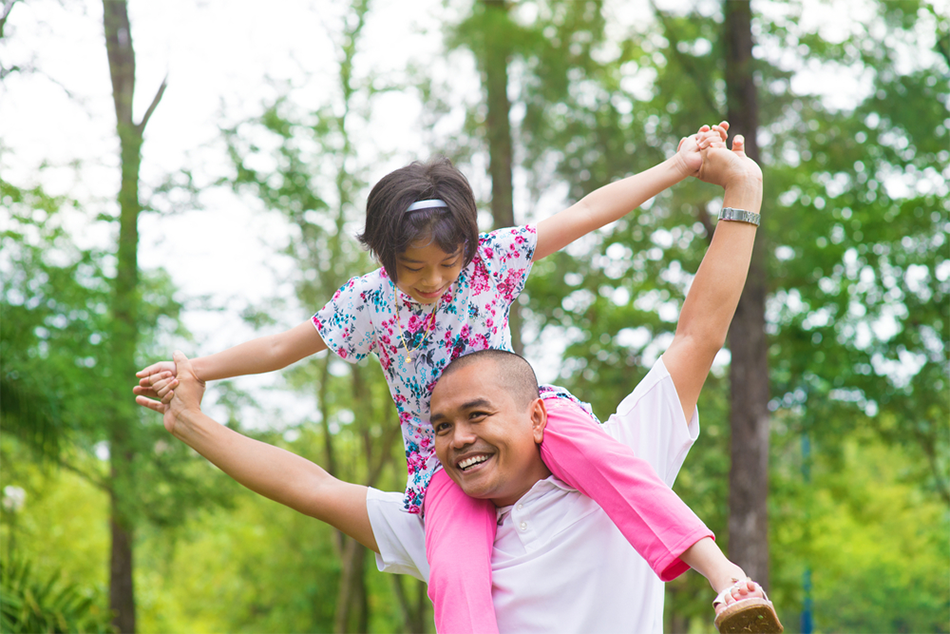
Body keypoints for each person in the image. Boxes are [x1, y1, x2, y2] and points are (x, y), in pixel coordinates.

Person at [138, 135, 782, 633]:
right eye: (413, 268)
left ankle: (726, 578)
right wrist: (198, 376)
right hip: (437, 479)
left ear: (467, 248)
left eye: (447, 263)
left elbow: (594, 221)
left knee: (617, 468)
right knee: (454, 574)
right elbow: (291, 381)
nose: (433, 280)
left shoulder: (493, 264)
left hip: (548, 416)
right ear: (383, 258)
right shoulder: (369, 305)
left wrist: (683, 170)